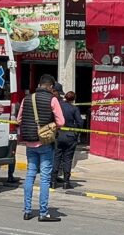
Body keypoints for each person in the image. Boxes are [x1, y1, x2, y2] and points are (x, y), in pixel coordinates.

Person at [17, 74, 64, 222]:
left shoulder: (27, 99)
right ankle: (43, 213)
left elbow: (19, 119)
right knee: (44, 179)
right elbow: (61, 122)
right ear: (50, 87)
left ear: (39, 84)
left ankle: (27, 211)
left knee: (30, 175)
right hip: (45, 143)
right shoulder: (53, 99)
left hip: (30, 143)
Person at [52, 91, 84, 189]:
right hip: (70, 136)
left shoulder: (59, 106)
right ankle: (66, 182)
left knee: (56, 157)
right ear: (73, 99)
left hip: (59, 134)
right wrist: (76, 131)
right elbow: (80, 122)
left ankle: (53, 181)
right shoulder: (74, 108)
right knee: (68, 159)